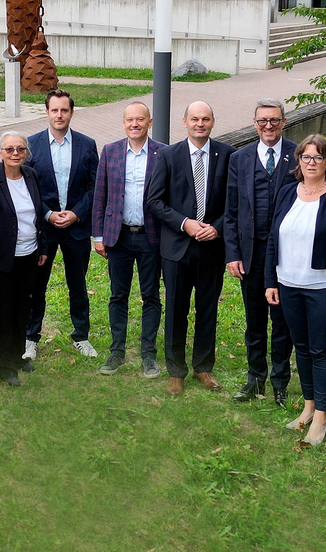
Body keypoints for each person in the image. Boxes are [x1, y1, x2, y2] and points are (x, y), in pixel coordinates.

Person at [264, 135, 326, 448]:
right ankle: (307, 406)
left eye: (318, 158)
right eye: (305, 157)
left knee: (321, 349)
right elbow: (272, 238)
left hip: (324, 287)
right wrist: (270, 281)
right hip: (288, 283)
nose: (311, 163)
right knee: (301, 347)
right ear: (298, 161)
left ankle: (321, 415)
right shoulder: (288, 191)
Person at [146, 101, 234, 396]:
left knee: (207, 309)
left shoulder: (228, 155)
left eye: (205, 119)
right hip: (177, 249)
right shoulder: (168, 155)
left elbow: (233, 204)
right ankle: (176, 370)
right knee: (176, 309)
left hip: (212, 248)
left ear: (212, 122)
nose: (200, 123)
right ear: (184, 121)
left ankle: (203, 367)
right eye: (194, 118)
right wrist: (185, 223)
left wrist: (217, 227)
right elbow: (155, 202)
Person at [222, 99, 296, 405]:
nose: (269, 126)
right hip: (250, 254)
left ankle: (280, 381)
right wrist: (232, 254)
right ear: (255, 124)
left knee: (283, 323)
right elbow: (230, 212)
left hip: (286, 255)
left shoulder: (297, 155)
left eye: (274, 121)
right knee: (255, 322)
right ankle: (255, 379)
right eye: (263, 121)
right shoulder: (240, 158)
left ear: (283, 122)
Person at [91, 102, 163, 378]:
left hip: (150, 237)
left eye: (140, 119)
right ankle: (117, 352)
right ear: (123, 123)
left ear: (149, 122)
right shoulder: (110, 152)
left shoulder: (162, 153)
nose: (135, 124)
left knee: (151, 296)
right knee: (117, 295)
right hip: (118, 236)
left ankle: (148, 356)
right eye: (130, 120)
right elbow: (100, 195)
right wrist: (98, 235)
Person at [26, 90, 99, 360]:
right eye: (54, 110)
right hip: (44, 230)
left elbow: (94, 186)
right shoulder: (31, 145)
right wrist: (47, 214)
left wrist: (76, 213)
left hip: (76, 228)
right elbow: (27, 187)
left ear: (71, 112)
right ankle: (30, 337)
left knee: (78, 285)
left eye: (64, 110)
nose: (59, 115)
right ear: (46, 112)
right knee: (37, 286)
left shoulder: (86, 144)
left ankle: (81, 335)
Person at [0, 132, 49, 386]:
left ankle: (17, 356)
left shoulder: (31, 175)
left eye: (20, 149)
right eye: (9, 149)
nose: (15, 153)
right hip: (0, 260)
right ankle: (1, 366)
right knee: (0, 313)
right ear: (0, 152)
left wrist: (42, 247)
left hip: (29, 255)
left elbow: (38, 215)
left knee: (22, 309)